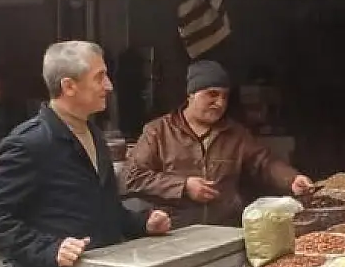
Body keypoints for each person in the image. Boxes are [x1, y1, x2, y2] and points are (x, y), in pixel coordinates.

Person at [0, 41, 172, 267]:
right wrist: (49, 249)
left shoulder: (92, 133)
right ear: (69, 86)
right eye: (99, 77)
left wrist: (141, 222)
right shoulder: (30, 143)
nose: (108, 85)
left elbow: (102, 209)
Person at [122, 60, 314, 227]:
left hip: (225, 231)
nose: (220, 103)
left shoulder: (235, 133)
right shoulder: (158, 131)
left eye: (224, 96)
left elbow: (264, 162)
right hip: (174, 233)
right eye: (212, 94)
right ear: (191, 94)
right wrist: (183, 186)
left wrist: (292, 179)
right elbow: (132, 177)